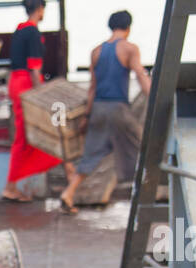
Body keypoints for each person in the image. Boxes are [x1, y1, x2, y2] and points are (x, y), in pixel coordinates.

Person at [0, 0, 83, 210]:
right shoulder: (33, 33)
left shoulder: (19, 31)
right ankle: (13, 186)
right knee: (35, 133)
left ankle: (64, 177)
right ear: (40, 10)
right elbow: (35, 68)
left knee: (30, 134)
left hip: (15, 83)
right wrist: (42, 96)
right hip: (27, 84)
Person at [61, 11, 151, 208]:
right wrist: (155, 96)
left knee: (91, 154)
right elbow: (140, 76)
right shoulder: (130, 48)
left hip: (98, 109)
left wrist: (86, 116)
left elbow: (92, 87)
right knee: (143, 146)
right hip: (117, 108)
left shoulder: (96, 51)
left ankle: (69, 193)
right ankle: (147, 195)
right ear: (128, 28)